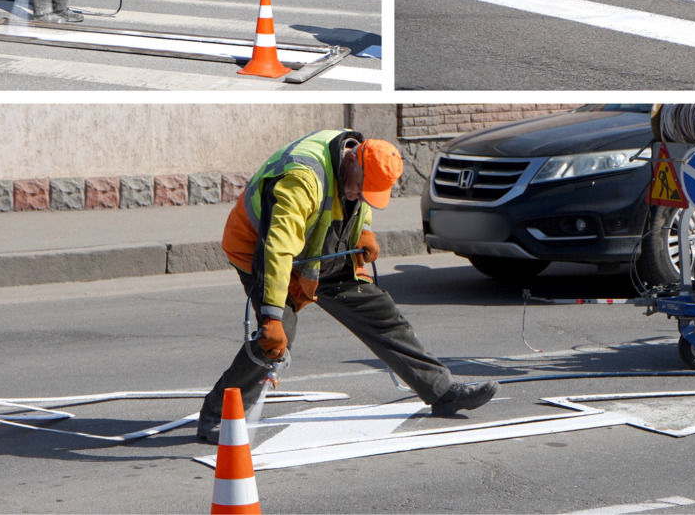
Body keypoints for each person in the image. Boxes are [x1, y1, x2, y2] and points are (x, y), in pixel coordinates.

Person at [196, 130, 499, 443]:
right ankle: (218, 416)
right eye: (360, 188)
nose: (360, 196)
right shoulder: (301, 179)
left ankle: (441, 391)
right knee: (275, 338)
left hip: (315, 246)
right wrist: (271, 316)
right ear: (351, 160)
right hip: (260, 250)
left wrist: (364, 230)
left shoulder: (355, 162)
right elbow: (278, 249)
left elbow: (360, 199)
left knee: (378, 311)